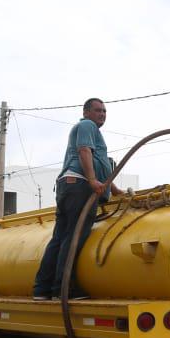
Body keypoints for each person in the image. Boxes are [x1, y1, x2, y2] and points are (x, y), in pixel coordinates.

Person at [31, 98, 123, 301]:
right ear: (86, 112)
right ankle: (64, 288)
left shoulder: (90, 130)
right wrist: (91, 180)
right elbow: (84, 151)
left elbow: (99, 163)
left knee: (59, 238)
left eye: (105, 111)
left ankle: (42, 289)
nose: (102, 114)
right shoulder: (87, 126)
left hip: (68, 185)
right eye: (98, 110)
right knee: (73, 237)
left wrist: (114, 190)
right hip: (80, 186)